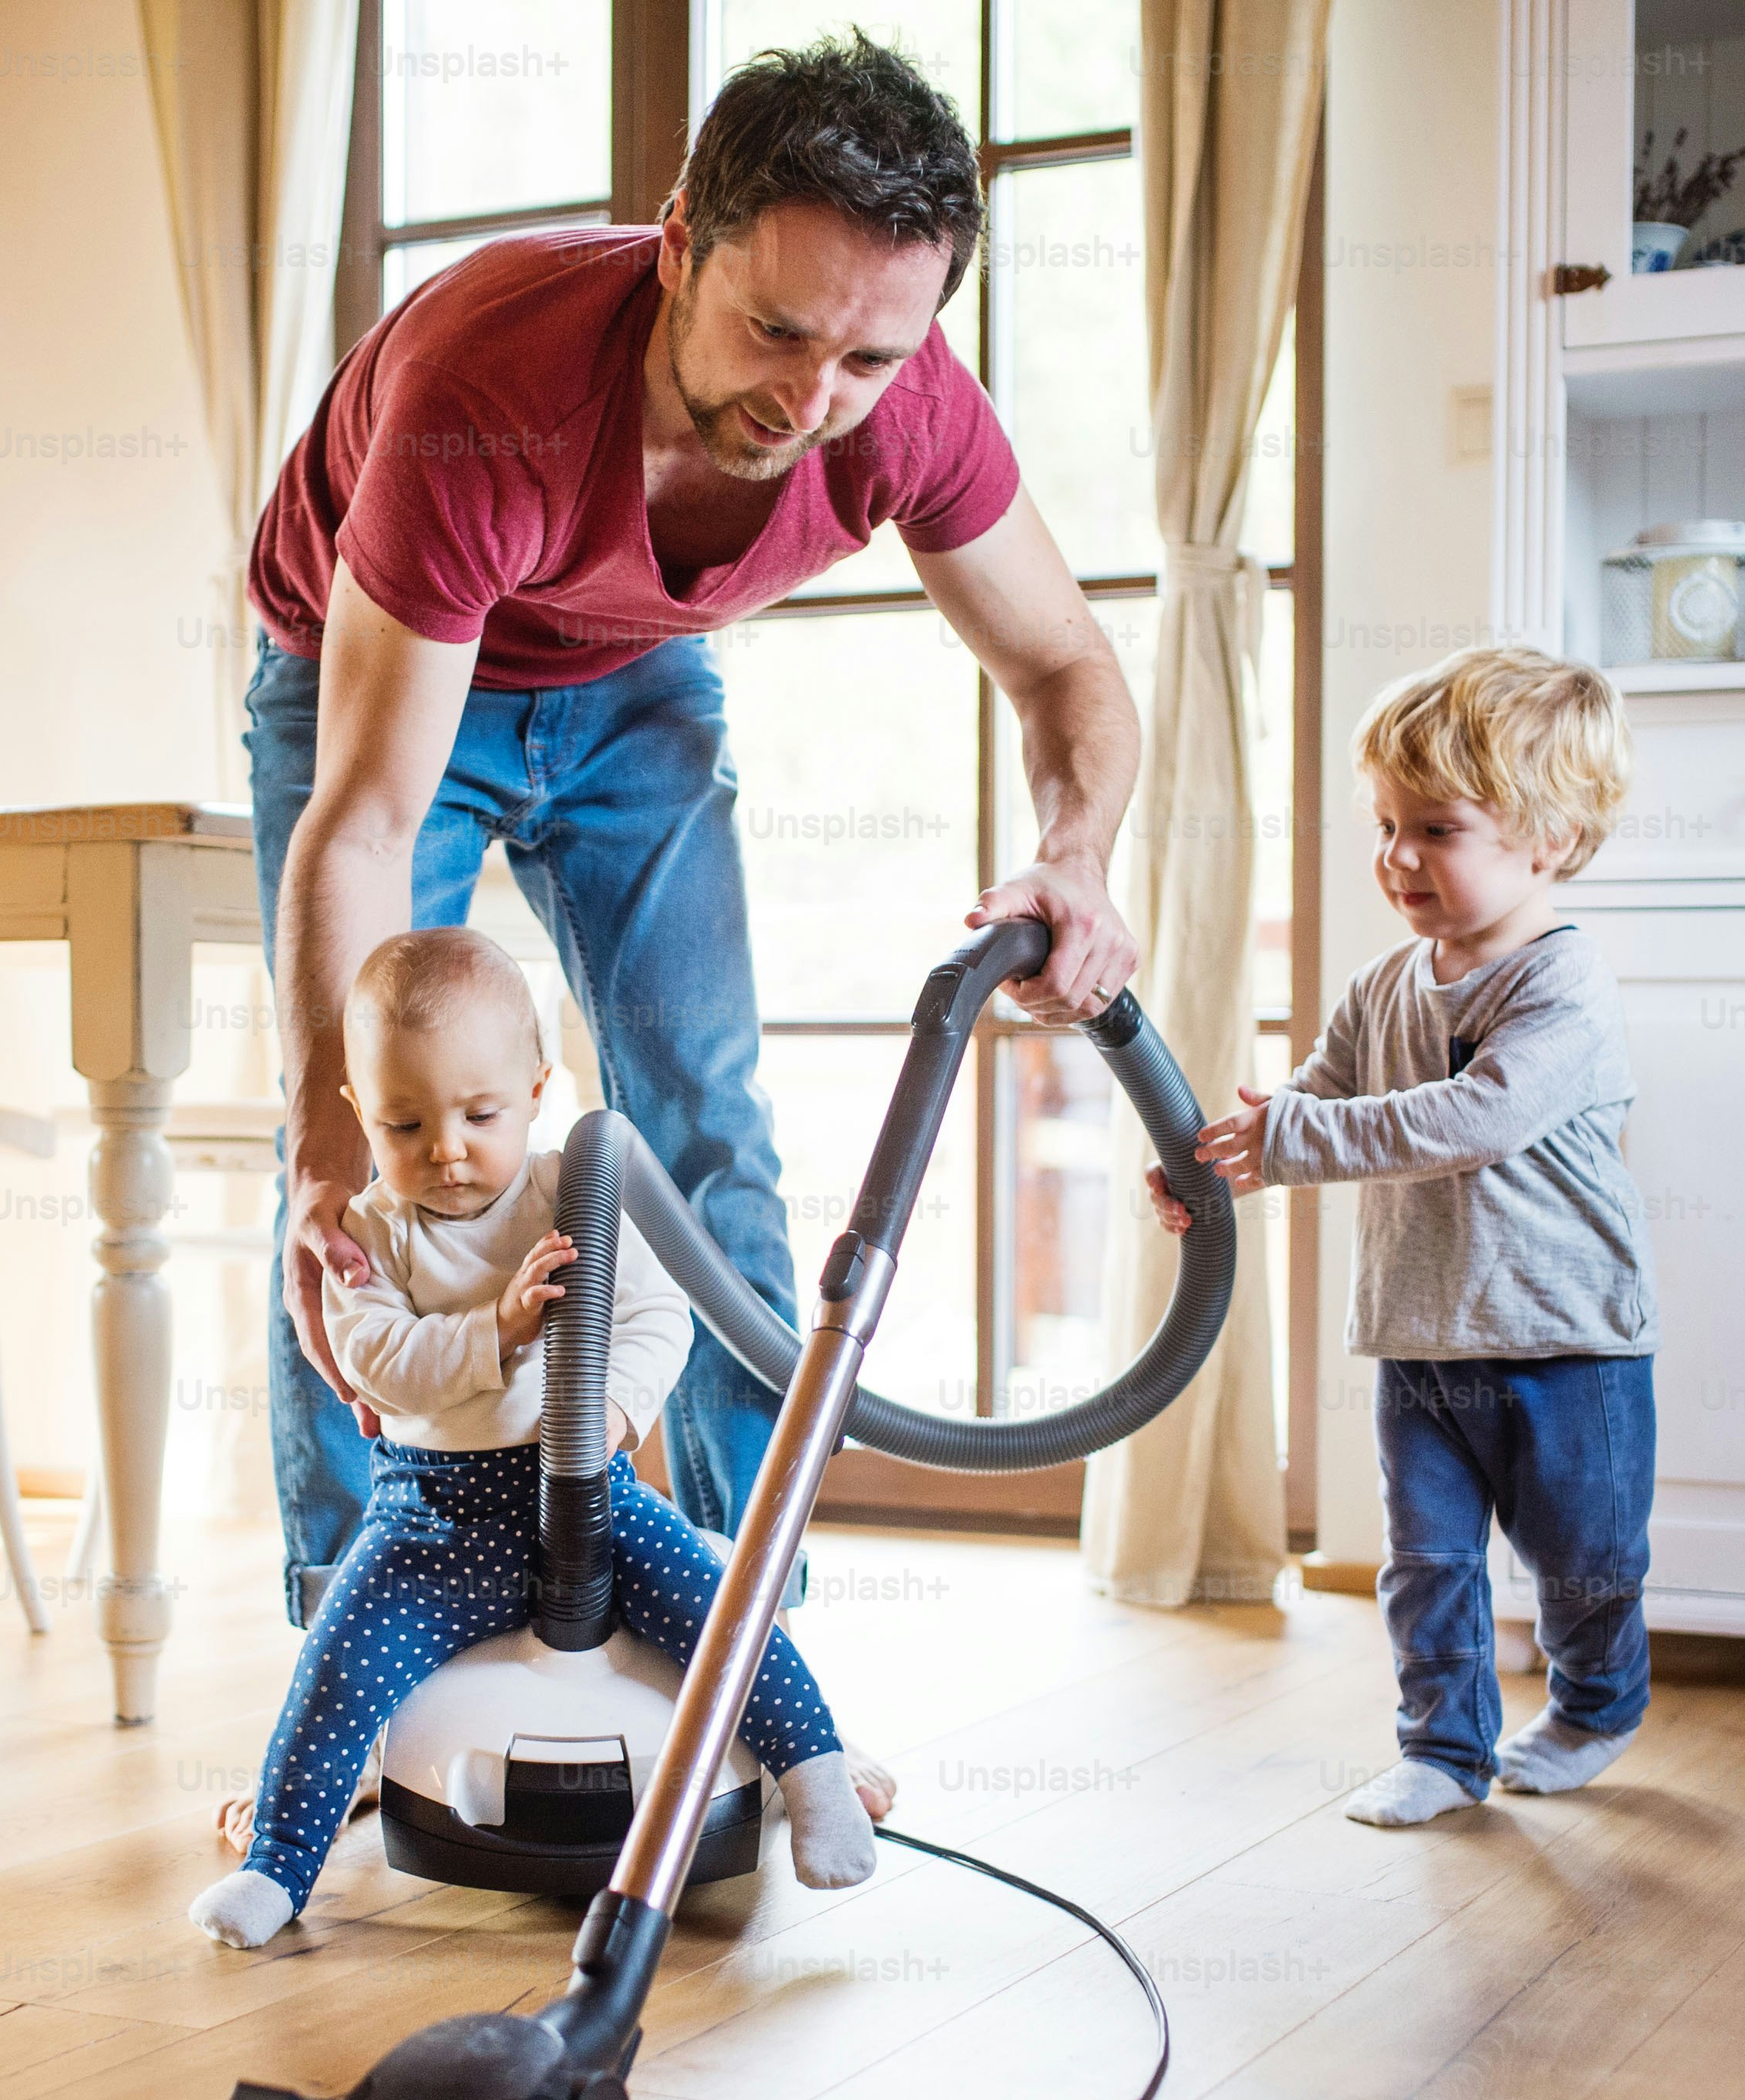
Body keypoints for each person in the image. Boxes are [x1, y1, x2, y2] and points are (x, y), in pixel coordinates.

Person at [245, 33, 1142, 1620]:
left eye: (866, 360)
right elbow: (370, 815)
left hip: (632, 675)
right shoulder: (488, 387)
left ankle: (742, 1636)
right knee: (360, 1161)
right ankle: (356, 1629)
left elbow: (1067, 661)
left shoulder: (906, 406)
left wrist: (1076, 856)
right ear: (676, 248)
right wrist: (322, 1139)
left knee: (706, 1126)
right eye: (776, 331)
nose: (813, 402)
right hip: (381, 681)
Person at [191, 930, 892, 1950]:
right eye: (403, 1121)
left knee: (724, 1613)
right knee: (337, 1668)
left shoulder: (576, 1189)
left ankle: (813, 1777)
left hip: (589, 1498)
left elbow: (661, 1318)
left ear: (535, 1087)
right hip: (428, 1520)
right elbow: (378, 1363)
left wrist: (610, 1410)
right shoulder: (370, 1234)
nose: (446, 1148)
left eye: (481, 1114)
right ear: (357, 1112)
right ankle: (280, 1869)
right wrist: (499, 1329)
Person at [1151, 647, 1656, 1828]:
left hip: (1565, 1343)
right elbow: (1315, 1104)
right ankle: (1442, 1749)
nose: (1397, 858)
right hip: (1420, 1338)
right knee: (1425, 1564)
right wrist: (1218, 1166)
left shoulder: (1563, 986)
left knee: (1581, 1565)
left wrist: (1294, 1140)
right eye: (1386, 825)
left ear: (1550, 837)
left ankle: (1594, 1707)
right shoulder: (1383, 985)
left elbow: (1477, 1118)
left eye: (1436, 829)